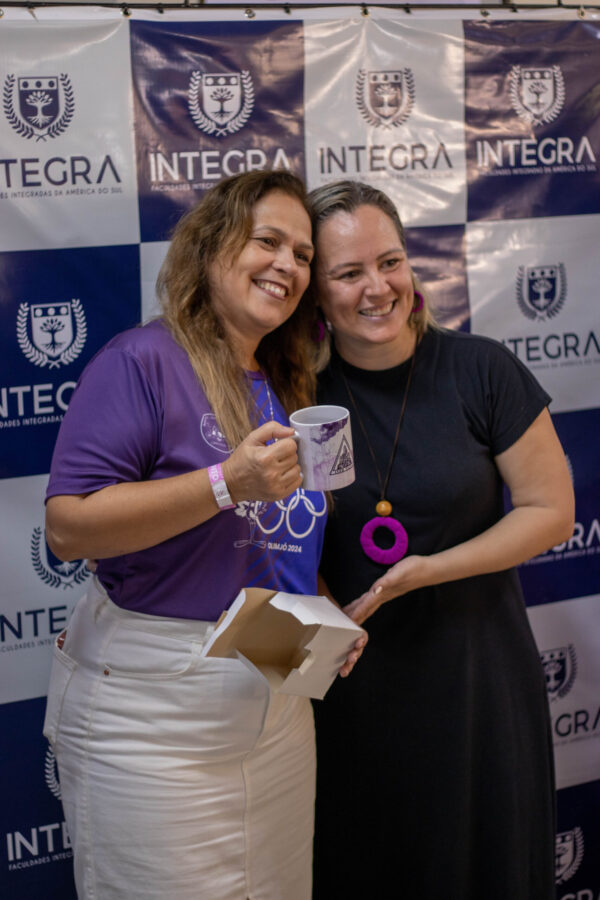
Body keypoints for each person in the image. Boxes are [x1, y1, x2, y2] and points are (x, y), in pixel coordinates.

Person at [42, 170, 353, 900]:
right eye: (267, 241)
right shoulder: (140, 360)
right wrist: (225, 483)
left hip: (275, 706)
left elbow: (268, 544)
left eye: (302, 255)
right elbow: (66, 529)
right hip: (152, 728)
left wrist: (323, 619)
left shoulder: (283, 381)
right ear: (212, 246)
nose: (287, 265)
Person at [308, 180, 574, 900]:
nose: (378, 287)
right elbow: (280, 541)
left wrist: (429, 570)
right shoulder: (300, 396)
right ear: (315, 293)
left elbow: (552, 511)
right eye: (349, 272)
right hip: (355, 693)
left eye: (390, 262)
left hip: (477, 684)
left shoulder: (481, 369)